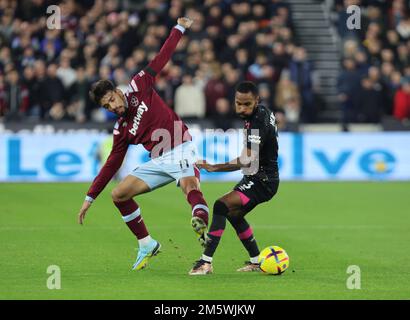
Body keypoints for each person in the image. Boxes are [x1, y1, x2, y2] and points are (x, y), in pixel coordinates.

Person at [76, 17, 210, 271]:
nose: (113, 107)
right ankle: (147, 243)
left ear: (117, 91)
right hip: (158, 161)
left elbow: (161, 58)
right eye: (106, 106)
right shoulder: (121, 129)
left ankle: (200, 219)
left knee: (188, 185)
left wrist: (179, 28)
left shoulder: (138, 86)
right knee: (119, 194)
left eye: (112, 100)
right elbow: (111, 164)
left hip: (179, 145)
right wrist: (90, 197)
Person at [189, 81, 280, 275]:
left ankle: (205, 262)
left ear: (257, 100)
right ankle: (256, 262)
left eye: (247, 104)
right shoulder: (260, 113)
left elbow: (246, 160)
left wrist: (214, 167)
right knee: (234, 214)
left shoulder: (257, 121)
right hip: (257, 177)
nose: (242, 108)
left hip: (263, 181)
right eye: (238, 103)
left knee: (221, 206)